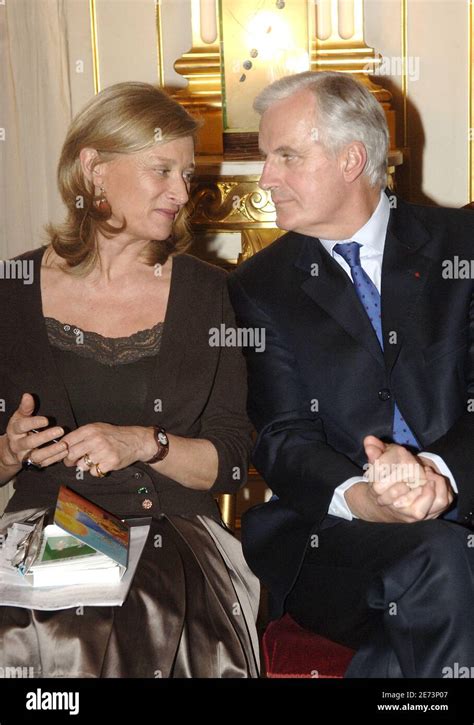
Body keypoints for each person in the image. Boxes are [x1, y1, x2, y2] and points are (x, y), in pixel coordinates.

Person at [0, 81, 259, 678]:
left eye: (186, 175)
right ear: (94, 169)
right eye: (161, 170)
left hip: (170, 531)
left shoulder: (207, 294)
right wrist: (11, 451)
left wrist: (145, 442)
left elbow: (233, 458)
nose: (180, 192)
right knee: (29, 625)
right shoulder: (12, 289)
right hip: (40, 529)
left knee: (127, 619)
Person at [228, 70, 474, 678]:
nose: (266, 178)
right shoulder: (259, 287)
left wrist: (437, 471)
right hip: (334, 539)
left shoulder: (461, 247)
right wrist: (365, 499)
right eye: (266, 158)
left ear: (351, 159)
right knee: (440, 557)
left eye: (286, 156)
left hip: (462, 507)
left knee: (432, 589)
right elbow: (283, 437)